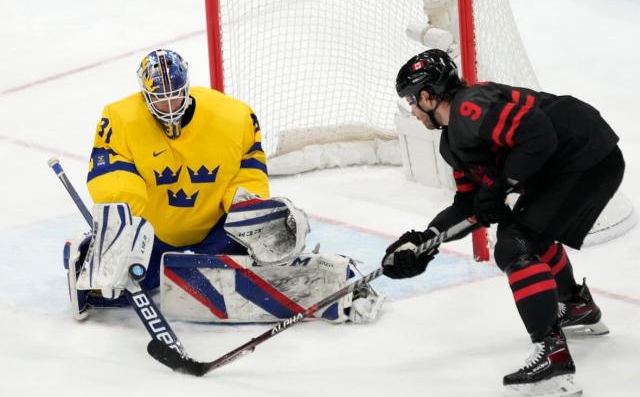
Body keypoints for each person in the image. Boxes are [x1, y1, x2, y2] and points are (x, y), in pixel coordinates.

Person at [63, 49, 382, 325]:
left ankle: (337, 278)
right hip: (152, 237)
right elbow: (110, 172)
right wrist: (126, 227)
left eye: (175, 95)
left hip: (216, 233)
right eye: (160, 100)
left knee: (259, 270)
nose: (170, 105)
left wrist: (250, 211)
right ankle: (87, 255)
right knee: (112, 287)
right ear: (145, 96)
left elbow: (248, 171)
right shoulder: (119, 119)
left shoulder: (234, 117)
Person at [382, 49, 624, 397]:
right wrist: (424, 242)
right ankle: (575, 306)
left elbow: (539, 134)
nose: (412, 110)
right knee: (525, 233)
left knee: (514, 242)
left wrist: (503, 184)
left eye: (411, 100)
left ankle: (551, 354)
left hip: (585, 155)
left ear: (427, 95)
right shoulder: (452, 142)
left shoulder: (470, 107)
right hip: (575, 161)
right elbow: (470, 204)